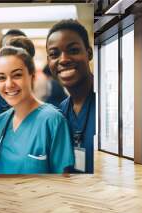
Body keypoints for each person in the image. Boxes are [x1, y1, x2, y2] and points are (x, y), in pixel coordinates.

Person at [0, 43, 75, 174]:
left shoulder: (52, 120)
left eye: (17, 75)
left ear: (32, 76)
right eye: (1, 78)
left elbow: (64, 179)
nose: (9, 84)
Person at [46, 19, 95, 173]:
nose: (64, 59)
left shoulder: (109, 105)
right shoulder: (60, 112)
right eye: (54, 54)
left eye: (73, 50)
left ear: (88, 53)